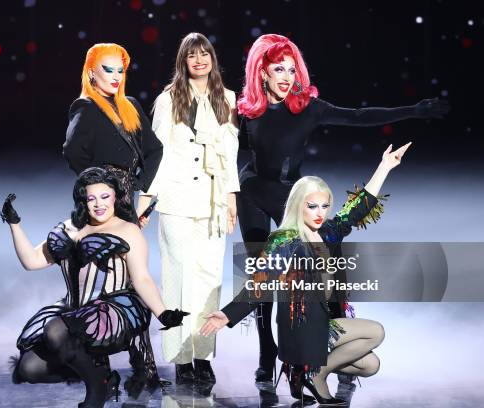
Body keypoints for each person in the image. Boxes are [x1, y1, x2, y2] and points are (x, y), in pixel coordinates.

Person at [235, 34, 448, 384]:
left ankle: (337, 341)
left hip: (293, 192)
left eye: (292, 69)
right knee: (262, 272)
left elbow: (359, 116)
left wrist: (412, 111)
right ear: (262, 73)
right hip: (253, 193)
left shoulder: (308, 108)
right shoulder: (245, 112)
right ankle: (266, 353)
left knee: (328, 258)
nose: (287, 76)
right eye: (278, 69)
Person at [201, 142, 412, 405]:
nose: (320, 213)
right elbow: (261, 283)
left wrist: (384, 167)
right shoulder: (285, 239)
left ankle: (305, 375)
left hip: (321, 325)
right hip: (300, 327)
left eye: (325, 206)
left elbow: (355, 210)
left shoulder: (327, 233)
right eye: (313, 206)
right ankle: (316, 374)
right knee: (375, 332)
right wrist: (227, 314)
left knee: (369, 365)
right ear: (299, 205)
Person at [0, 167, 188, 407]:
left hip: (112, 312)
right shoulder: (68, 228)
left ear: (115, 197)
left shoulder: (128, 230)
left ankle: (96, 392)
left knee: (55, 331)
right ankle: (102, 377)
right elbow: (31, 261)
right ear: (83, 200)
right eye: (91, 198)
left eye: (105, 197)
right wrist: (14, 224)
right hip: (73, 312)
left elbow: (142, 279)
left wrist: (162, 312)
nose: (99, 204)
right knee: (29, 368)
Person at [137, 32, 240, 384]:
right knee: (178, 279)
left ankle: (202, 353)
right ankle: (181, 357)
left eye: (204, 54)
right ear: (183, 62)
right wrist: (146, 201)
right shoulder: (169, 99)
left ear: (212, 58)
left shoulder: (228, 98)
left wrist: (231, 199)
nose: (199, 60)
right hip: (177, 200)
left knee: (210, 280)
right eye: (192, 55)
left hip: (212, 202)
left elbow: (231, 155)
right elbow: (156, 154)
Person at [63, 42, 163, 217]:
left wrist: (139, 182)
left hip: (126, 202)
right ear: (92, 72)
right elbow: (73, 152)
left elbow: (154, 149)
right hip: (99, 206)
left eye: (120, 71)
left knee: (130, 242)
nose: (116, 77)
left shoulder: (131, 105)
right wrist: (97, 185)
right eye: (109, 70)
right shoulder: (86, 107)